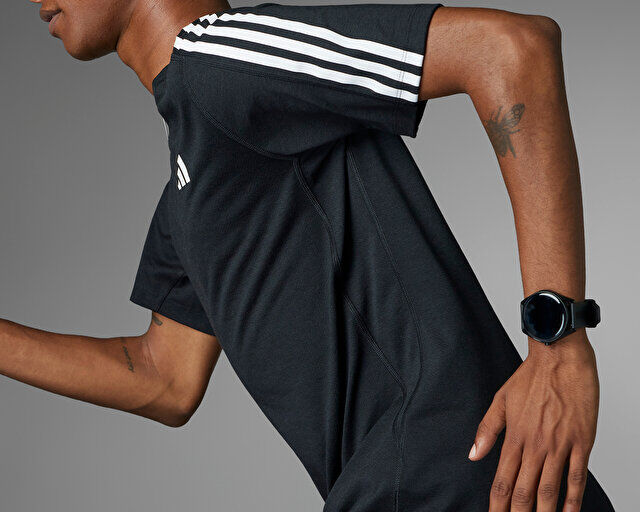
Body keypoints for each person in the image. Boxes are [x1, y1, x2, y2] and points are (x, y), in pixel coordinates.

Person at [5, 0, 615, 510]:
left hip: (444, 471)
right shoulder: (189, 180)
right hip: (429, 482)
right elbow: (163, 376)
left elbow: (510, 49)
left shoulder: (222, 59)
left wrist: (557, 350)